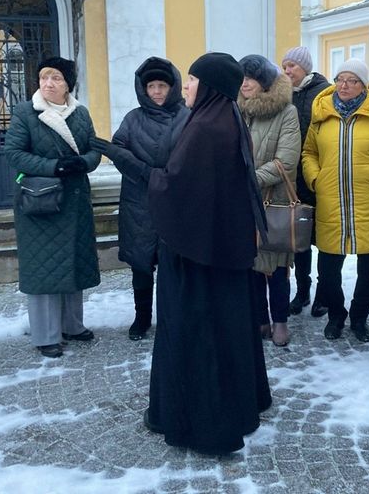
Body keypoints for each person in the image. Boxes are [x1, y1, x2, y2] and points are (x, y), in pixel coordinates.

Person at [145, 52, 272, 455]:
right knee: (228, 326)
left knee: (198, 331)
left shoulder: (203, 127)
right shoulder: (228, 117)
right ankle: (241, 403)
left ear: (210, 86)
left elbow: (178, 189)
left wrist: (145, 174)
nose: (185, 86)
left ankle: (203, 421)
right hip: (223, 248)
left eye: (192, 80)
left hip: (197, 255)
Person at [4, 57, 101, 358]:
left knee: (73, 262)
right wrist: (55, 166)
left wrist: (82, 163)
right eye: (44, 77)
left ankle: (72, 325)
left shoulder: (80, 113)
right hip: (41, 202)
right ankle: (46, 335)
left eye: (56, 78)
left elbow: (94, 149)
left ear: (68, 84)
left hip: (75, 201)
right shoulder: (26, 112)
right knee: (44, 267)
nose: (48, 83)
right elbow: (14, 153)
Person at [302, 58, 369, 342]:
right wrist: (316, 178)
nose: (344, 85)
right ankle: (336, 315)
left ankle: (359, 318)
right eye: (340, 79)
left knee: (368, 268)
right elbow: (309, 152)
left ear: (364, 85)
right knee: (328, 270)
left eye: (352, 80)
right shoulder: (322, 112)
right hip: (331, 201)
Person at [92, 57, 189, 340]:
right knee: (141, 266)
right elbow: (119, 151)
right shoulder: (133, 119)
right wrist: (137, 167)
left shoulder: (187, 117)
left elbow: (191, 159)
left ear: (172, 87)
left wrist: (163, 174)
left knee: (175, 266)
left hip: (175, 202)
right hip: (139, 203)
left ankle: (173, 317)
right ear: (143, 89)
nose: (157, 91)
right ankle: (142, 317)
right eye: (151, 86)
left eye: (162, 86)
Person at [238, 54, 301, 346]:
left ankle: (280, 321)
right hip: (242, 203)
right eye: (241, 78)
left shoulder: (286, 111)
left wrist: (248, 180)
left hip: (273, 201)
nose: (244, 84)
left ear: (264, 82)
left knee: (276, 266)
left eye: (251, 78)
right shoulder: (238, 110)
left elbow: (285, 162)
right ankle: (260, 319)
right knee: (250, 263)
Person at [281, 46, 331, 317]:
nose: (287, 71)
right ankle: (302, 291)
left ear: (305, 67)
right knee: (299, 240)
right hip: (293, 181)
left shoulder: (324, 93)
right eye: (285, 66)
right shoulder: (284, 94)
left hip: (319, 178)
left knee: (324, 241)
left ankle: (324, 294)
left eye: (292, 66)